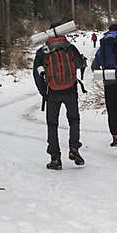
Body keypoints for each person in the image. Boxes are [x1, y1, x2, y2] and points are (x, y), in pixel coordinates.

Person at [33, 32, 87, 170]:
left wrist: (44, 92)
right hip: (70, 89)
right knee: (74, 120)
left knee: (52, 124)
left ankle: (55, 158)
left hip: (52, 92)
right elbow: (80, 64)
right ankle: (74, 148)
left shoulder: (43, 51)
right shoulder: (69, 47)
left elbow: (37, 74)